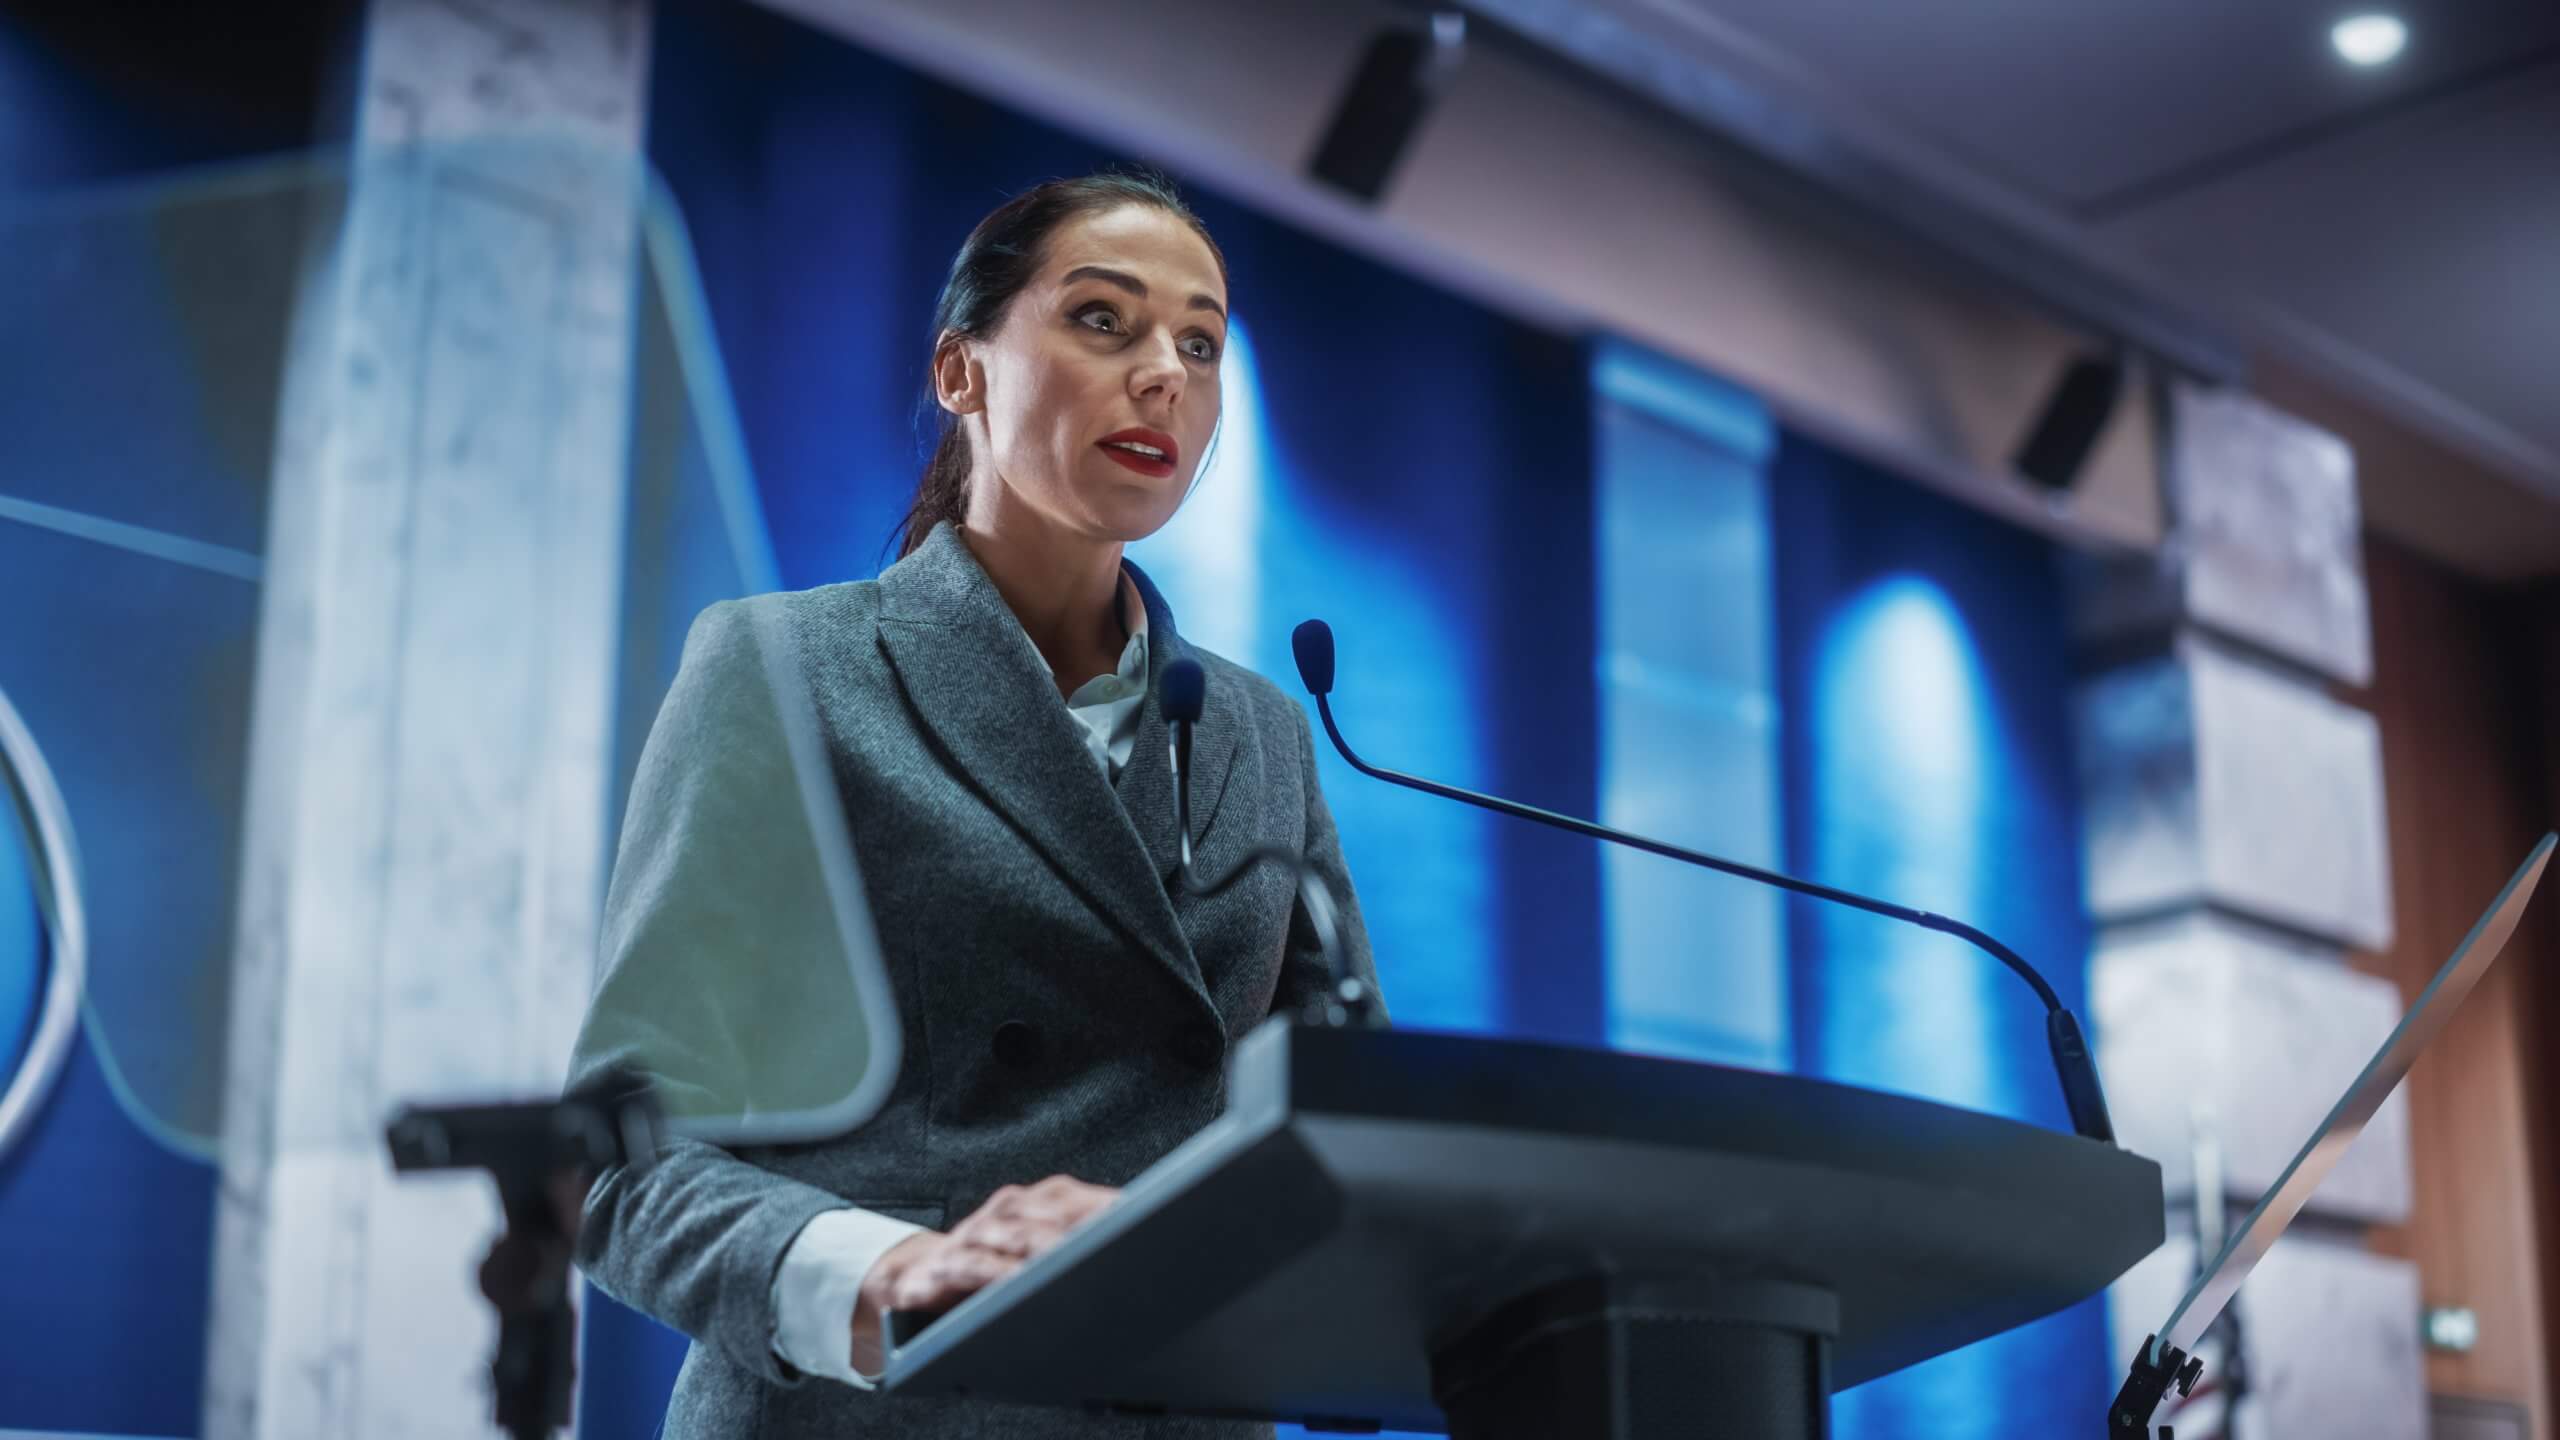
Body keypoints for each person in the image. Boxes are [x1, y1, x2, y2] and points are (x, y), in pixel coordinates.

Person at [569, 170, 1384, 1440]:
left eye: (1201, 342)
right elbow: (619, 1164)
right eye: (1103, 319)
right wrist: (883, 1274)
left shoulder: (1266, 733)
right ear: (962, 373)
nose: (1164, 373)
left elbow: (1351, 1152)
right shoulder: (783, 669)